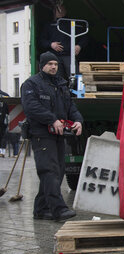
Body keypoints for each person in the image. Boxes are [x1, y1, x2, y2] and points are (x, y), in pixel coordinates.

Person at [21, 52, 84, 221]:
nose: (53, 67)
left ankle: (41, 209)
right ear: (42, 66)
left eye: (55, 64)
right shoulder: (31, 84)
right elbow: (31, 107)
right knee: (49, 170)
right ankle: (59, 209)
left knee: (58, 170)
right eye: (50, 64)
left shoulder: (61, 84)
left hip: (58, 135)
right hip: (41, 134)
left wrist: (78, 120)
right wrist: (52, 119)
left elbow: (70, 106)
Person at [39, 4, 88, 81]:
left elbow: (84, 37)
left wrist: (79, 46)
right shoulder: (49, 25)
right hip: (54, 57)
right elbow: (42, 41)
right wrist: (51, 44)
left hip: (69, 56)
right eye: (57, 9)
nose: (59, 11)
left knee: (75, 78)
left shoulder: (72, 24)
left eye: (61, 9)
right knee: (56, 78)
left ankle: (75, 92)